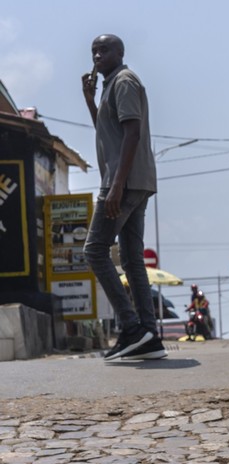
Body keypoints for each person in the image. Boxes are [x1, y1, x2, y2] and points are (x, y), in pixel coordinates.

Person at [81, 34, 166, 361]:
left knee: (95, 250)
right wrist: (90, 100)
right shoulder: (109, 86)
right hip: (133, 181)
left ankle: (131, 328)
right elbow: (109, 132)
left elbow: (132, 132)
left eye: (104, 50)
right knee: (131, 258)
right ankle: (148, 336)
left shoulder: (124, 81)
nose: (98, 55)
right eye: (94, 51)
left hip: (124, 182)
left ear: (120, 53)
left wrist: (116, 186)